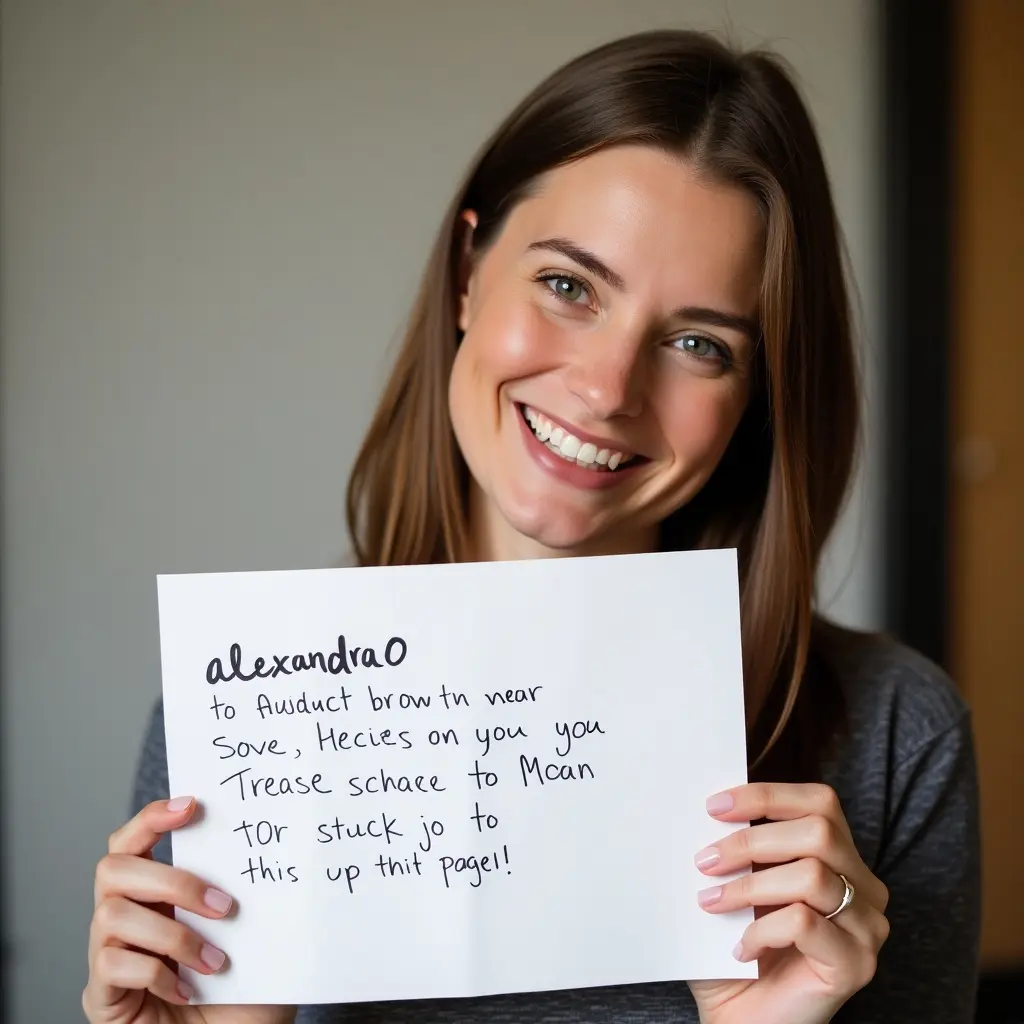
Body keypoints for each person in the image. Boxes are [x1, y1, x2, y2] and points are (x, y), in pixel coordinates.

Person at [82, 28, 980, 1024]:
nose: (604, 389)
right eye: (568, 286)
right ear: (469, 267)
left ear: (756, 397)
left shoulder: (897, 733)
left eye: (698, 343)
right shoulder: (234, 725)